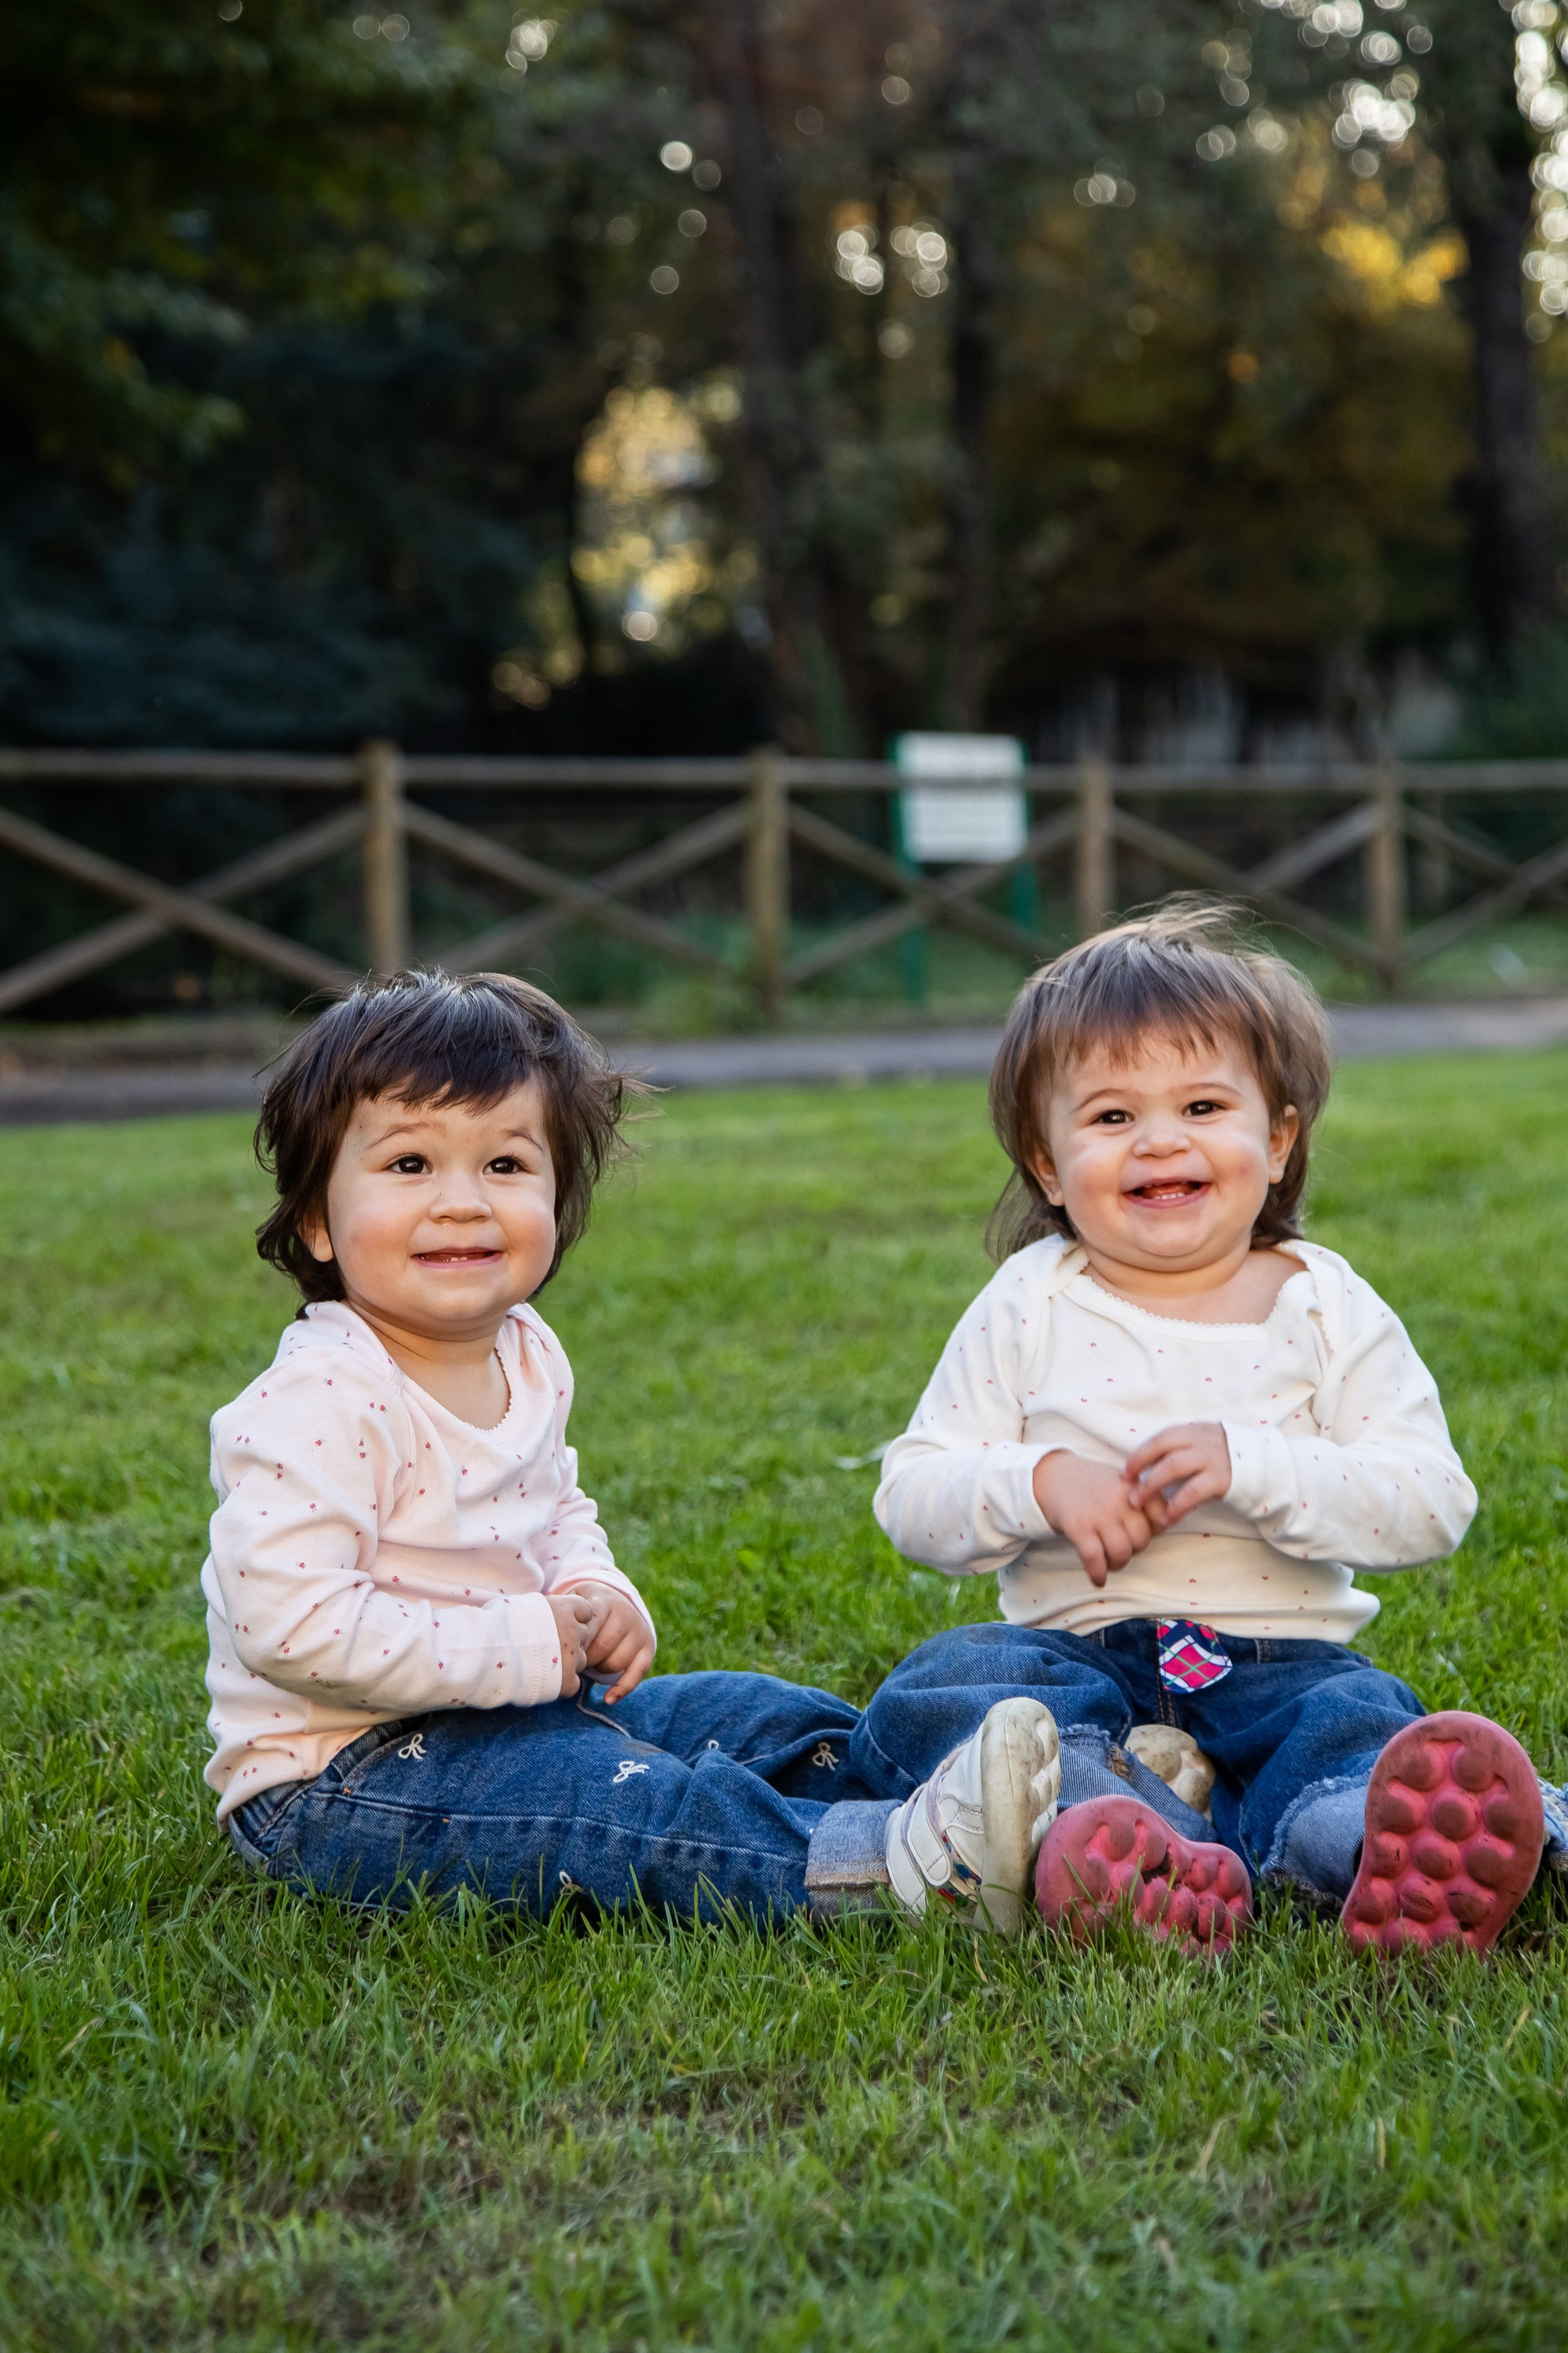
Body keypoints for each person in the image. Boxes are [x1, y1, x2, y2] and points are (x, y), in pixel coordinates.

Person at [206, 968, 1058, 1929]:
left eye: (505, 1165)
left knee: (766, 1717)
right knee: (632, 1808)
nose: (463, 1201)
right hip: (345, 1781)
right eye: (410, 1164)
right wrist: (526, 1643)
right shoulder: (322, 1397)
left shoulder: (525, 1351)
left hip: (529, 1709)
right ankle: (898, 1869)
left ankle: (1028, 1809)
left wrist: (594, 1588)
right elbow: (289, 1627)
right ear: (316, 1219)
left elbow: (554, 1508)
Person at [866, 901, 1566, 1958]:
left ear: (1277, 1140)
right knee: (955, 1681)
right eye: (1111, 1117)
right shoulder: (1030, 1301)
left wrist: (1254, 1463)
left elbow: (1431, 1500)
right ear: (1048, 1165)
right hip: (1077, 1652)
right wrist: (1041, 1481)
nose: (1160, 1139)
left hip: (1283, 1657)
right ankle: (1121, 1831)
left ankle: (1380, 1847)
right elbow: (914, 1490)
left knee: (1348, 1733)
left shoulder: (1323, 1304)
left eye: (1202, 1104)